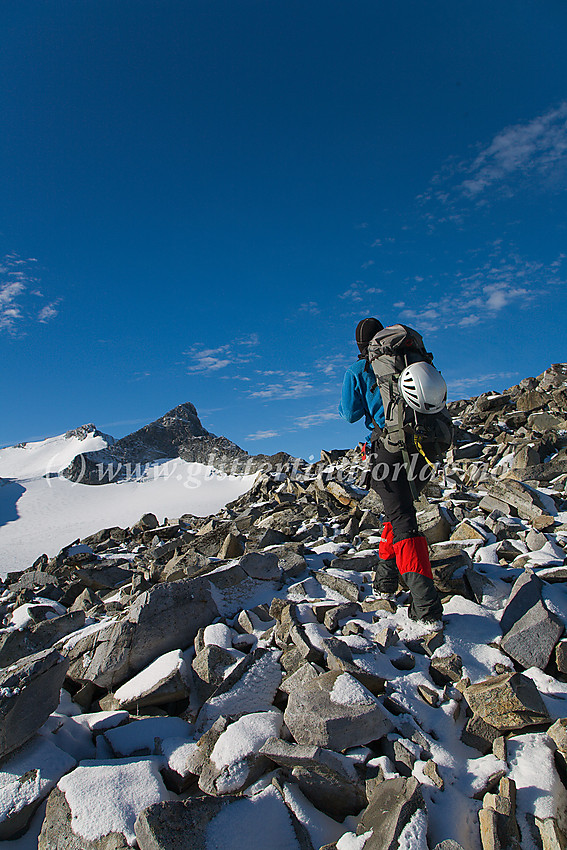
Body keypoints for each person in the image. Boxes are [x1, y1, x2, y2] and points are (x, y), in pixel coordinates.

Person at [339, 317, 443, 627]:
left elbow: (349, 414)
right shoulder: (411, 357)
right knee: (396, 512)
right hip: (425, 445)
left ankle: (427, 609)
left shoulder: (357, 371)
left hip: (389, 447)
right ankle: (384, 582)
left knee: (403, 522)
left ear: (362, 345)